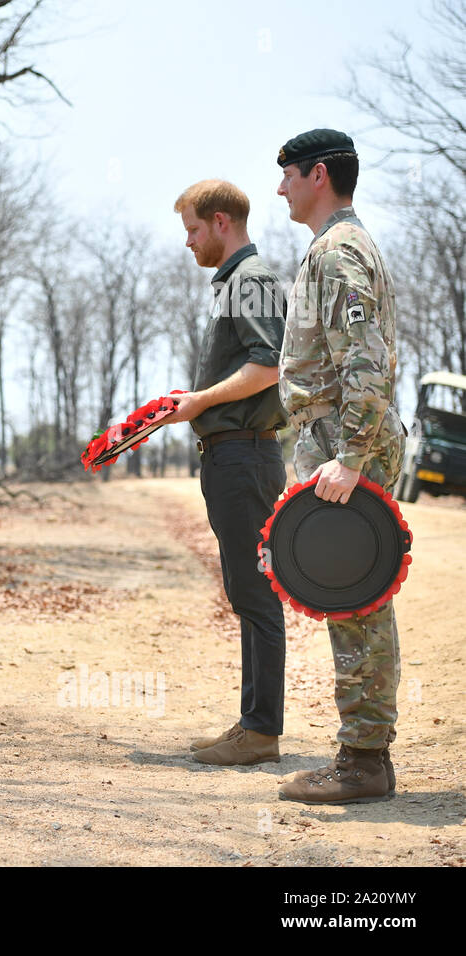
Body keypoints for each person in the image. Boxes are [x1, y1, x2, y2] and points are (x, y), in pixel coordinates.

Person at [274, 128, 404, 804]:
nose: (280, 187)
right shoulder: (333, 249)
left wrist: (351, 455)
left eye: (288, 174)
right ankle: (361, 756)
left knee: (357, 595)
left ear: (317, 175)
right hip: (335, 443)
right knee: (349, 594)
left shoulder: (338, 251)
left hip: (347, 447)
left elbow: (363, 357)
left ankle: (363, 762)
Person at [168, 181, 288, 766]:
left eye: (192, 230)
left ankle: (263, 731)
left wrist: (200, 401)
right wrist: (195, 401)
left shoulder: (254, 279)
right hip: (230, 455)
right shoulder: (233, 283)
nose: (188, 242)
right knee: (245, 588)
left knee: (257, 592)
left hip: (246, 455)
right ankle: (253, 723)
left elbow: (269, 366)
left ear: (220, 222)